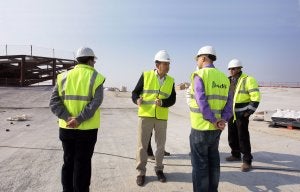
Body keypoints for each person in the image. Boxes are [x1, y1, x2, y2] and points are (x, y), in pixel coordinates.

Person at [49, 47, 105, 192]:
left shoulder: (63, 77)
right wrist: (79, 119)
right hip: (87, 130)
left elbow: (54, 103)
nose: (94, 63)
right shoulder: (96, 78)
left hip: (67, 128)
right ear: (90, 60)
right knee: (83, 164)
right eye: (94, 60)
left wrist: (68, 118)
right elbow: (95, 103)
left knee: (68, 162)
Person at [189, 45, 232, 192]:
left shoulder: (199, 75)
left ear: (203, 58)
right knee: (213, 163)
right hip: (216, 130)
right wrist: (222, 120)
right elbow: (229, 103)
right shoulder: (224, 79)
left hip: (200, 128)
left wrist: (213, 120)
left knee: (200, 166)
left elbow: (201, 101)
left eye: (198, 60)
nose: (197, 63)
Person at [132, 50, 176, 186]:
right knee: (142, 146)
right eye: (165, 63)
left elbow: (173, 99)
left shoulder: (171, 80)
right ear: (157, 64)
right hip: (145, 115)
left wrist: (163, 103)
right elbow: (135, 92)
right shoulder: (146, 75)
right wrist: (136, 100)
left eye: (168, 63)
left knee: (160, 146)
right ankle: (141, 172)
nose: (168, 66)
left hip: (161, 117)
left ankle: (159, 169)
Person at [225, 58, 261, 172]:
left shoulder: (248, 79)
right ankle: (235, 154)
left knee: (243, 137)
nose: (231, 71)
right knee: (232, 135)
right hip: (231, 113)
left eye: (233, 68)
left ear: (239, 68)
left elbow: (255, 97)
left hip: (242, 113)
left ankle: (247, 160)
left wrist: (248, 112)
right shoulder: (228, 80)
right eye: (230, 69)